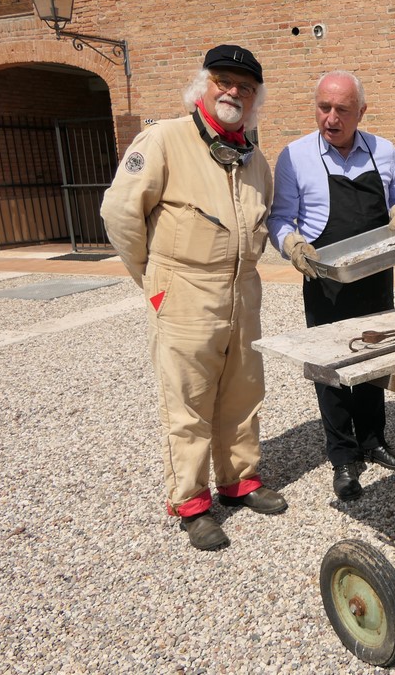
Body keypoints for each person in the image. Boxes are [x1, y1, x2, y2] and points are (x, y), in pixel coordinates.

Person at [101, 45, 287, 551]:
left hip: (242, 293)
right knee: (187, 402)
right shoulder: (164, 140)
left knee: (243, 391)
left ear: (255, 99)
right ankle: (190, 501)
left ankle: (239, 480)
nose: (233, 92)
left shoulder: (255, 159)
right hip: (184, 291)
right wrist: (153, 278)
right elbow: (120, 215)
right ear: (202, 85)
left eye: (245, 87)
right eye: (223, 81)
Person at [267, 70, 395, 501]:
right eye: (323, 107)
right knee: (330, 370)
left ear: (361, 112)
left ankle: (374, 441)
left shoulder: (383, 152)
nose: (330, 118)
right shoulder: (294, 157)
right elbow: (280, 219)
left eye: (342, 110)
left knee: (374, 359)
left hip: (374, 275)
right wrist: (291, 243)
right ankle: (343, 457)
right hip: (325, 279)